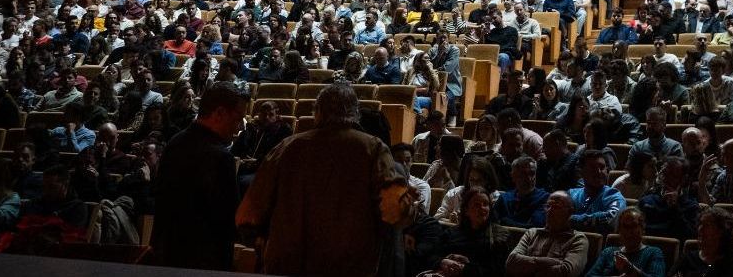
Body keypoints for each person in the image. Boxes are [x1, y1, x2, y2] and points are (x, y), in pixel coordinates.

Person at [237, 83, 418, 276]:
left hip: (287, 264)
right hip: (349, 266)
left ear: (317, 111)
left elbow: (247, 216)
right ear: (355, 113)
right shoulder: (373, 149)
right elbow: (395, 212)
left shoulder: (287, 147)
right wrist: (409, 203)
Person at [154, 82, 248, 270]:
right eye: (237, 119)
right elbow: (228, 219)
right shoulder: (221, 157)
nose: (239, 128)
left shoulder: (175, 143)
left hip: (167, 256)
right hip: (204, 260)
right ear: (219, 113)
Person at [434, 185, 513, 277]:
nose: (482, 208)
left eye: (485, 204)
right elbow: (433, 255)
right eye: (477, 205)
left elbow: (497, 271)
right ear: (466, 210)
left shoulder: (500, 236)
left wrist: (465, 267)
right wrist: (443, 262)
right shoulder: (452, 233)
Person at [506, 191, 590, 277]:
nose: (549, 211)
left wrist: (529, 267)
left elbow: (567, 271)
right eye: (548, 206)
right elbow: (511, 262)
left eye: (556, 207)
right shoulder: (532, 233)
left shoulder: (578, 239)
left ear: (570, 212)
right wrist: (556, 262)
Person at [588, 208, 668, 277]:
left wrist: (630, 269)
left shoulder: (653, 252)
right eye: (625, 227)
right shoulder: (608, 252)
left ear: (642, 229)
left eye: (634, 226)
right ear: (619, 230)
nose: (629, 232)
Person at [674, 206, 733, 277]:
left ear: (721, 231)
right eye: (700, 224)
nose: (700, 229)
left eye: (707, 225)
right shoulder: (688, 258)